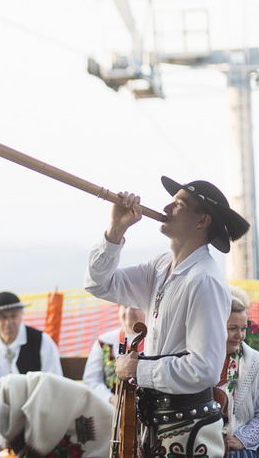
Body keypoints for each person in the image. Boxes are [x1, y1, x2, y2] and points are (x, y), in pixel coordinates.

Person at [84, 177, 250, 457]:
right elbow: (99, 284)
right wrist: (116, 229)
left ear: (202, 221)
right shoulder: (160, 266)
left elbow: (204, 369)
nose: (167, 206)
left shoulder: (204, 280)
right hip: (158, 425)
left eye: (179, 203)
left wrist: (138, 370)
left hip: (188, 431)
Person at [0, 291, 63, 396]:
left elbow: (54, 381)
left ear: (21, 314)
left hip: (33, 407)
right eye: (3, 317)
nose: (9, 322)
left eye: (13, 316)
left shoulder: (42, 341)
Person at [217, 288, 259, 457]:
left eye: (243, 328)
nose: (240, 335)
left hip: (239, 451)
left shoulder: (254, 361)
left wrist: (242, 439)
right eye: (232, 328)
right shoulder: (198, 360)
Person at [82, 304, 146, 404]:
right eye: (124, 306)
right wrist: (111, 399)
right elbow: (91, 381)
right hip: (110, 410)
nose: (129, 312)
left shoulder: (155, 343)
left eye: (135, 306)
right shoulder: (104, 341)